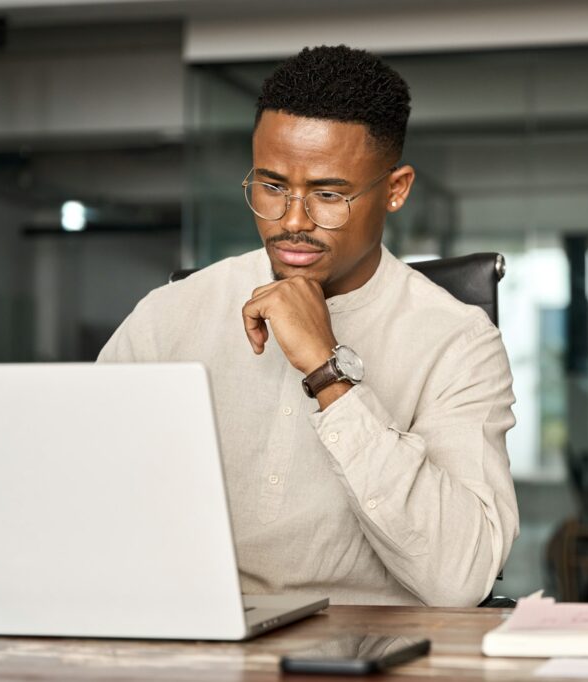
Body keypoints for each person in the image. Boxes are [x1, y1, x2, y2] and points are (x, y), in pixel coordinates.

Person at [98, 45, 519, 607]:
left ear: (396, 189)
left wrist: (329, 371)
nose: (293, 222)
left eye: (328, 194)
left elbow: (459, 577)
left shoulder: (457, 343)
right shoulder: (170, 315)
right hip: (192, 635)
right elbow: (82, 496)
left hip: (369, 647)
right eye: (272, 187)